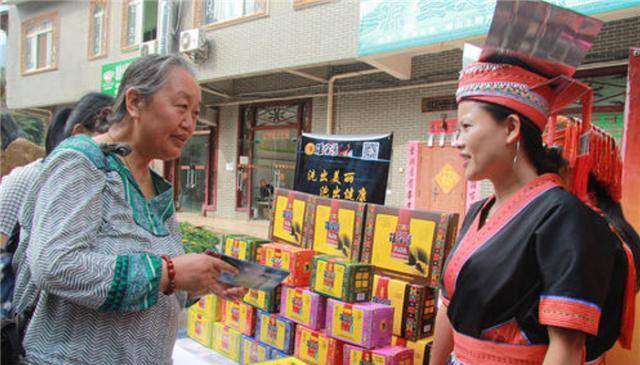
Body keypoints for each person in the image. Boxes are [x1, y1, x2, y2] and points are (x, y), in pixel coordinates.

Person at [430, 6, 635, 365]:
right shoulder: (480, 211)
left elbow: (567, 348)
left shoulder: (565, 217)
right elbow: (449, 307)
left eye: (466, 127)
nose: (457, 142)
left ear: (510, 129)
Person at [12, 54, 246, 364]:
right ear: (135, 102)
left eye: (196, 112)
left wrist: (199, 280)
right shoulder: (81, 162)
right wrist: (169, 273)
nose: (190, 123)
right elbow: (55, 265)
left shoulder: (156, 186)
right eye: (181, 107)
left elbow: (159, 285)